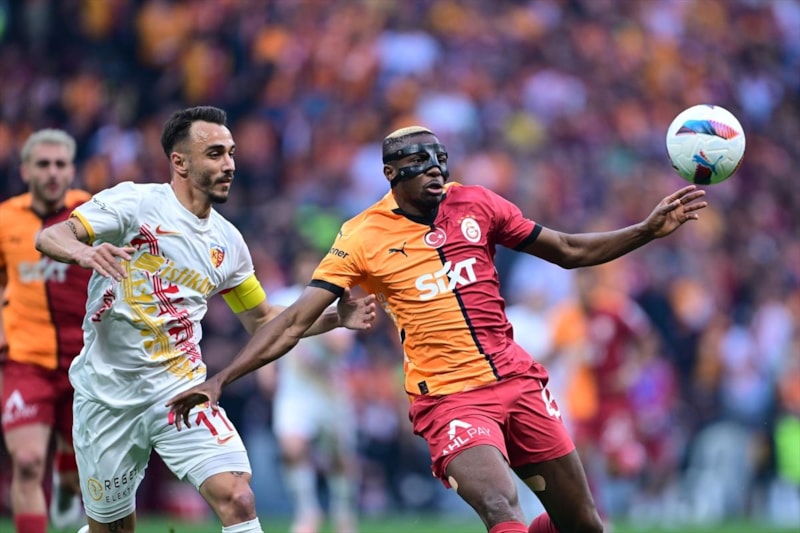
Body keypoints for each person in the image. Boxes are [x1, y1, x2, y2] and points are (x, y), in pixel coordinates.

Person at [167, 125, 708, 533]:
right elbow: (292, 321)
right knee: (502, 509)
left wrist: (646, 230)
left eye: (440, 159)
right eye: (418, 162)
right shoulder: (362, 237)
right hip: (449, 400)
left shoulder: (478, 204)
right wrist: (221, 380)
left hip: (518, 382)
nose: (434, 170)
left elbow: (567, 249)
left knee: (583, 525)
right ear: (389, 173)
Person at [33, 106, 376, 533]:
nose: (229, 164)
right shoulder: (135, 203)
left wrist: (333, 318)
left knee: (238, 497)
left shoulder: (228, 243)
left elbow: (263, 319)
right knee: (114, 529)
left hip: (182, 390)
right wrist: (84, 252)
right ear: (180, 162)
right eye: (215, 154)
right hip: (107, 397)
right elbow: (51, 235)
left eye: (231, 153)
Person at [0, 129, 89, 533]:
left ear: (71, 170)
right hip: (26, 359)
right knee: (27, 461)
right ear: (25, 171)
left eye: (60, 164)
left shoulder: (92, 212)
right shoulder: (5, 219)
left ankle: (67, 485)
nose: (52, 172)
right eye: (43, 164)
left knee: (84, 474)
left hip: (86, 362)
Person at [257, 250, 360, 533]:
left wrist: (309, 321)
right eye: (304, 265)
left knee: (338, 456)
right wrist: (266, 371)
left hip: (330, 391)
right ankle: (307, 512)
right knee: (292, 448)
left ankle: (342, 511)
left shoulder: (337, 300)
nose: (308, 271)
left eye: (313, 266)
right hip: (295, 392)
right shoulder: (282, 299)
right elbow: (267, 336)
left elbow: (341, 347)